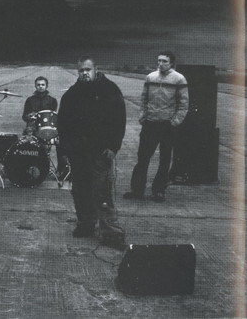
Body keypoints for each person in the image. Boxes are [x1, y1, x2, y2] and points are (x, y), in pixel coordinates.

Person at [58, 56, 126, 250]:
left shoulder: (110, 90)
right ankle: (86, 224)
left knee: (102, 191)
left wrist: (113, 147)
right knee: (80, 190)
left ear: (96, 69)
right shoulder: (71, 94)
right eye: (81, 70)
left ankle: (111, 232)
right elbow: (62, 124)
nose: (84, 73)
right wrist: (65, 150)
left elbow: (119, 121)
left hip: (101, 152)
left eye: (88, 70)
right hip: (78, 152)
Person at [123, 51, 188, 202]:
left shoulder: (179, 79)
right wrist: (143, 116)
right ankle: (137, 190)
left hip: (167, 125)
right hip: (150, 124)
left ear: (171, 63)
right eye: (159, 61)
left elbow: (184, 104)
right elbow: (144, 98)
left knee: (165, 159)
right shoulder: (150, 77)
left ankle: (159, 190)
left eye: (164, 61)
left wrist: (175, 122)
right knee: (142, 158)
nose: (160, 64)